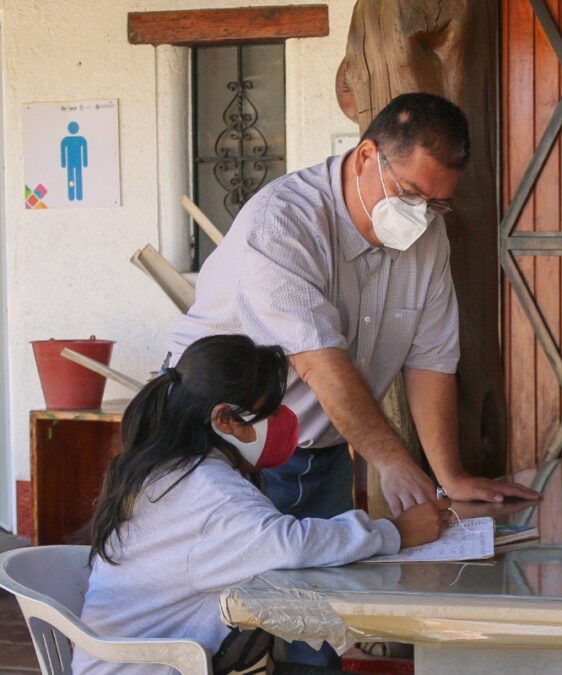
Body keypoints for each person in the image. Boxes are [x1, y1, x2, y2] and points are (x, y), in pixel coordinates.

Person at [166, 92, 538, 526]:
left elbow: (430, 360)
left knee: (323, 589)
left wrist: (450, 476)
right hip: (222, 442)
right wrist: (393, 462)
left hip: (318, 447)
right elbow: (319, 364)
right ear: (366, 156)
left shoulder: (429, 236)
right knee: (235, 588)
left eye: (435, 203)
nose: (420, 215)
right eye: (410, 193)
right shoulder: (284, 223)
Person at [71, 335, 451, 674]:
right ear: (223, 418)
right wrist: (397, 531)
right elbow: (291, 543)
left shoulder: (170, 468)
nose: (282, 423)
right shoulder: (207, 490)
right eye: (268, 413)